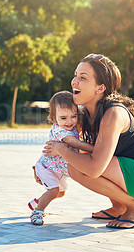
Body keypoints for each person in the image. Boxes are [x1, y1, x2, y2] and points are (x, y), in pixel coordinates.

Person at [43, 53, 134, 229]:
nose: (74, 81)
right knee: (80, 158)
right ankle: (119, 206)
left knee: (81, 164)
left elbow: (94, 168)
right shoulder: (84, 113)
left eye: (82, 78)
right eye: (75, 75)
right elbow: (68, 143)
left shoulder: (113, 114)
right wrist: (45, 168)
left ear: (100, 88)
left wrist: (61, 149)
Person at [29, 91, 94, 225]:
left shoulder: (71, 122)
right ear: (54, 118)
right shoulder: (61, 131)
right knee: (53, 191)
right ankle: (38, 212)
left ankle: (37, 202)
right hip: (47, 167)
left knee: (60, 193)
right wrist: (97, 149)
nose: (69, 121)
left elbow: (82, 109)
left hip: (58, 169)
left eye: (73, 116)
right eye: (63, 118)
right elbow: (76, 143)